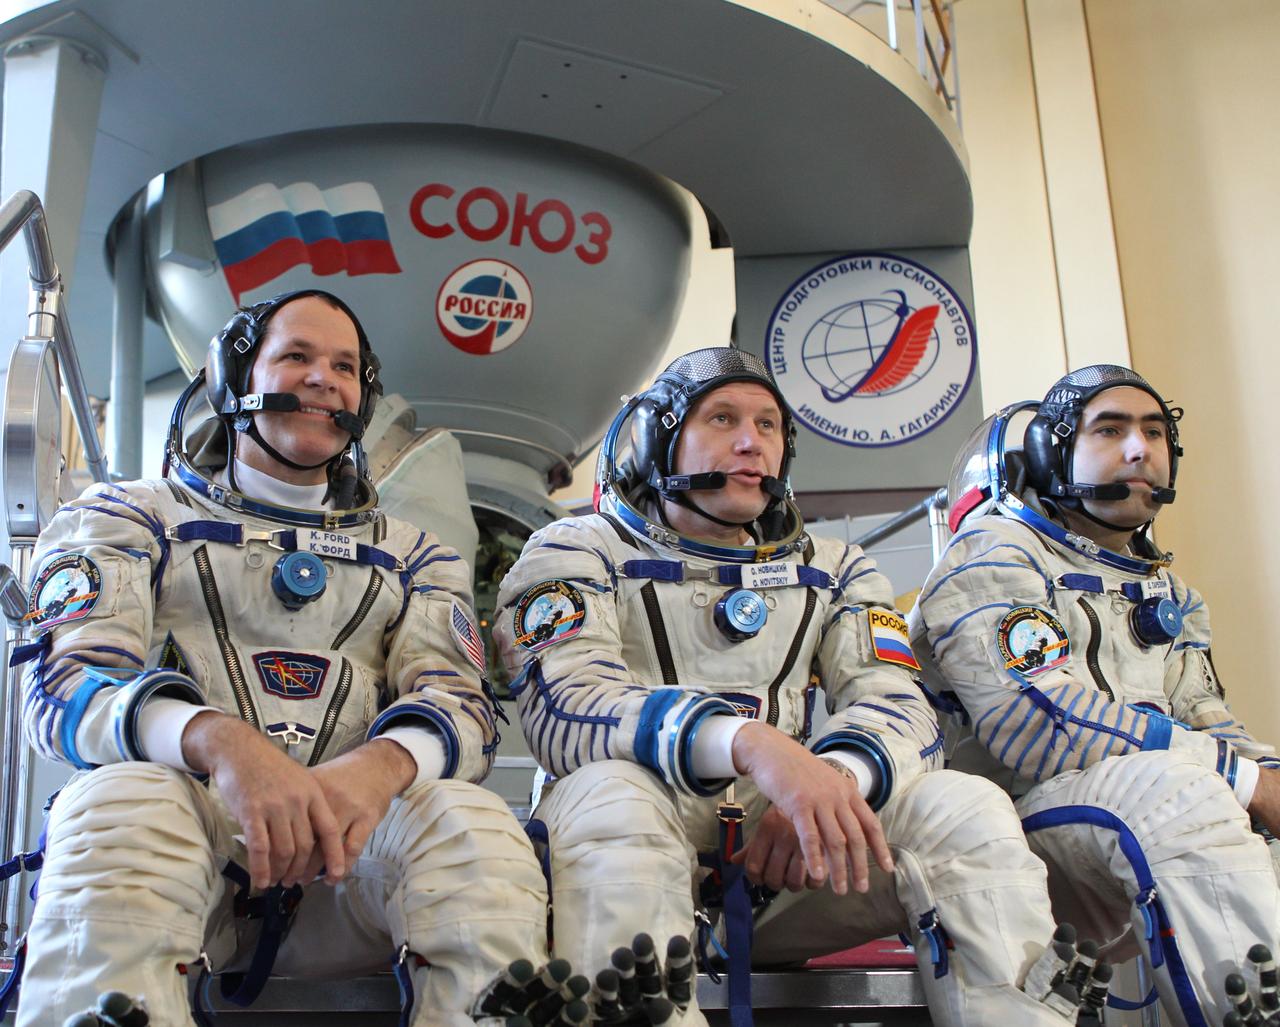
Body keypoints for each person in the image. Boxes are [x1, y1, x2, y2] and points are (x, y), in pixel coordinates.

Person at [493, 346, 1095, 1026]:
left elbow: (901, 706)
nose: (752, 442)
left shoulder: (834, 567)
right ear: (660, 436)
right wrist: (752, 745)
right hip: (617, 847)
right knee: (612, 793)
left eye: (769, 425)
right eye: (722, 418)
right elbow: (568, 706)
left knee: (963, 803)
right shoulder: (576, 548)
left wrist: (829, 779)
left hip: (783, 867)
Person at [14, 290, 550, 1027]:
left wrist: (379, 767)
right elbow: (66, 683)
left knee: (469, 822)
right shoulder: (128, 517)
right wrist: (222, 743)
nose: (324, 377)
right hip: (184, 844)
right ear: (236, 378)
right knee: (120, 803)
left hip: (349, 869)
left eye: (344, 366)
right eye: (296, 356)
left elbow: (462, 706)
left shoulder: (415, 554)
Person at [910, 364, 1280, 1027]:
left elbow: (1206, 717)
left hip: (1125, 816)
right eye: (1110, 430)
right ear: (1053, 452)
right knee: (1183, 790)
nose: (1140, 449)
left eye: (1154, 432)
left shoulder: (1168, 593)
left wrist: (1265, 776)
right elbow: (1038, 727)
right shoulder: (992, 556)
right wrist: (1243, 778)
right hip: (1006, 828)